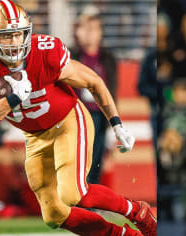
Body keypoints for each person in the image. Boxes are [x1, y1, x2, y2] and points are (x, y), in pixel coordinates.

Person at [0, 1, 156, 236]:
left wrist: (116, 123)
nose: (14, 43)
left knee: (73, 193)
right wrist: (11, 100)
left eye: (18, 34)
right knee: (54, 214)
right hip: (35, 136)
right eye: (6, 36)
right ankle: (122, 235)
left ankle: (137, 212)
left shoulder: (45, 50)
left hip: (68, 121)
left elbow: (93, 80)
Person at [71, 12, 118, 184]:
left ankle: (92, 199)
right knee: (78, 159)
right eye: (86, 28)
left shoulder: (107, 59)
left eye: (94, 29)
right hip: (78, 114)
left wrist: (113, 120)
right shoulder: (72, 56)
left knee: (97, 158)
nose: (90, 33)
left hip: (100, 114)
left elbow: (112, 89)